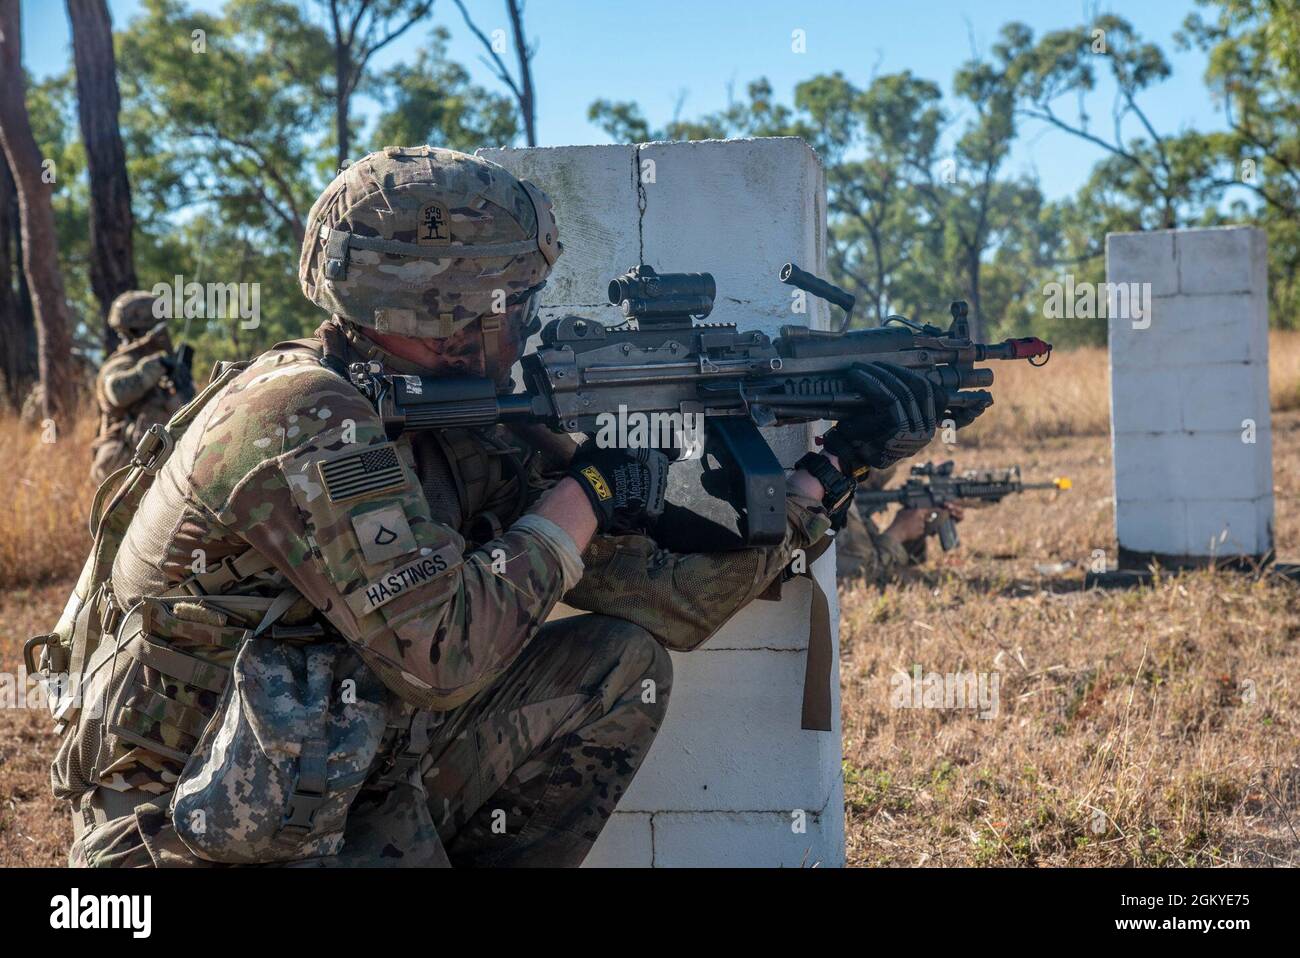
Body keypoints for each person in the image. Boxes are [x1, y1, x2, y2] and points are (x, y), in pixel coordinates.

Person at [43, 146, 965, 868]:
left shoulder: (444, 416)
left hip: (325, 781)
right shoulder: (300, 418)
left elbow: (667, 603)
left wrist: (832, 471)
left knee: (619, 662)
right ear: (445, 309)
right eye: (515, 299)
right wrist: (590, 489)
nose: (527, 321)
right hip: (189, 832)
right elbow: (445, 656)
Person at [89, 291, 194, 483]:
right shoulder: (120, 364)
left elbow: (181, 411)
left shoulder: (162, 371)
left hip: (157, 467)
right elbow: (117, 393)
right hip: (122, 466)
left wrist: (183, 383)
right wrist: (156, 366)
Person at [835, 464, 965, 584]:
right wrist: (898, 533)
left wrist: (923, 525)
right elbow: (860, 576)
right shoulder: (839, 503)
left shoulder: (852, 497)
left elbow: (899, 563)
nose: (882, 475)